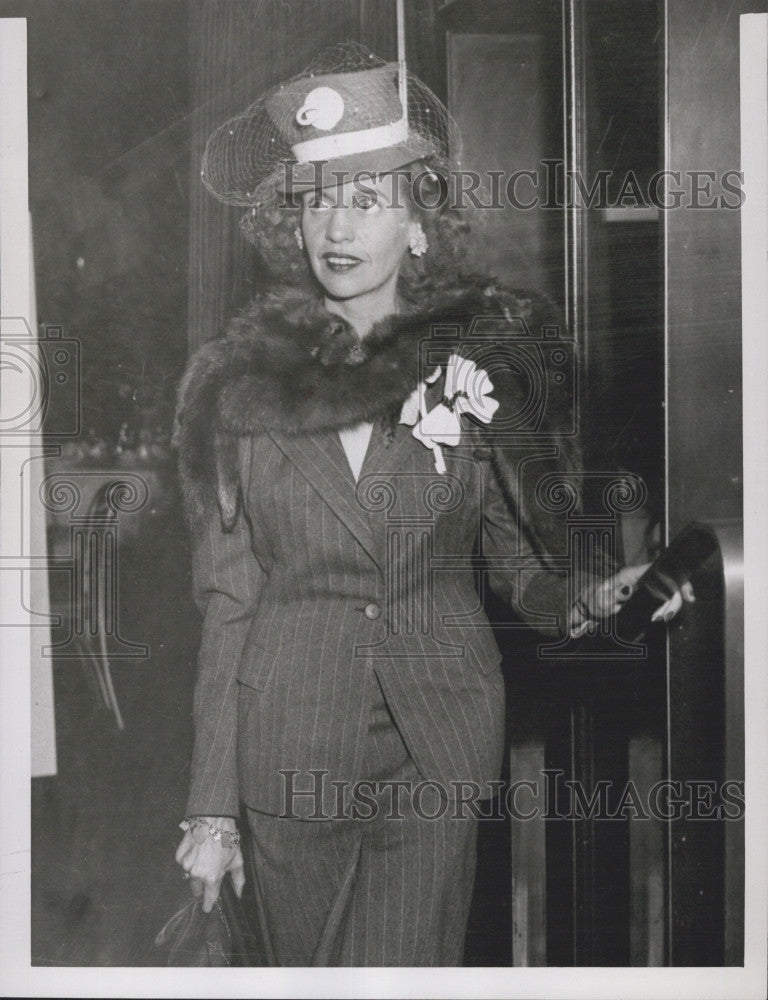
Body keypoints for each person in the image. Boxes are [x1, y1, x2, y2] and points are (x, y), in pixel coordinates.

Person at [173, 43, 687, 966]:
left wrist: (597, 596)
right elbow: (230, 603)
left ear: (418, 225)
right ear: (290, 223)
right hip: (289, 747)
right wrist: (211, 807)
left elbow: (521, 566)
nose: (335, 224)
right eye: (315, 197)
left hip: (437, 743)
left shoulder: (478, 369)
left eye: (367, 199)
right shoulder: (241, 390)